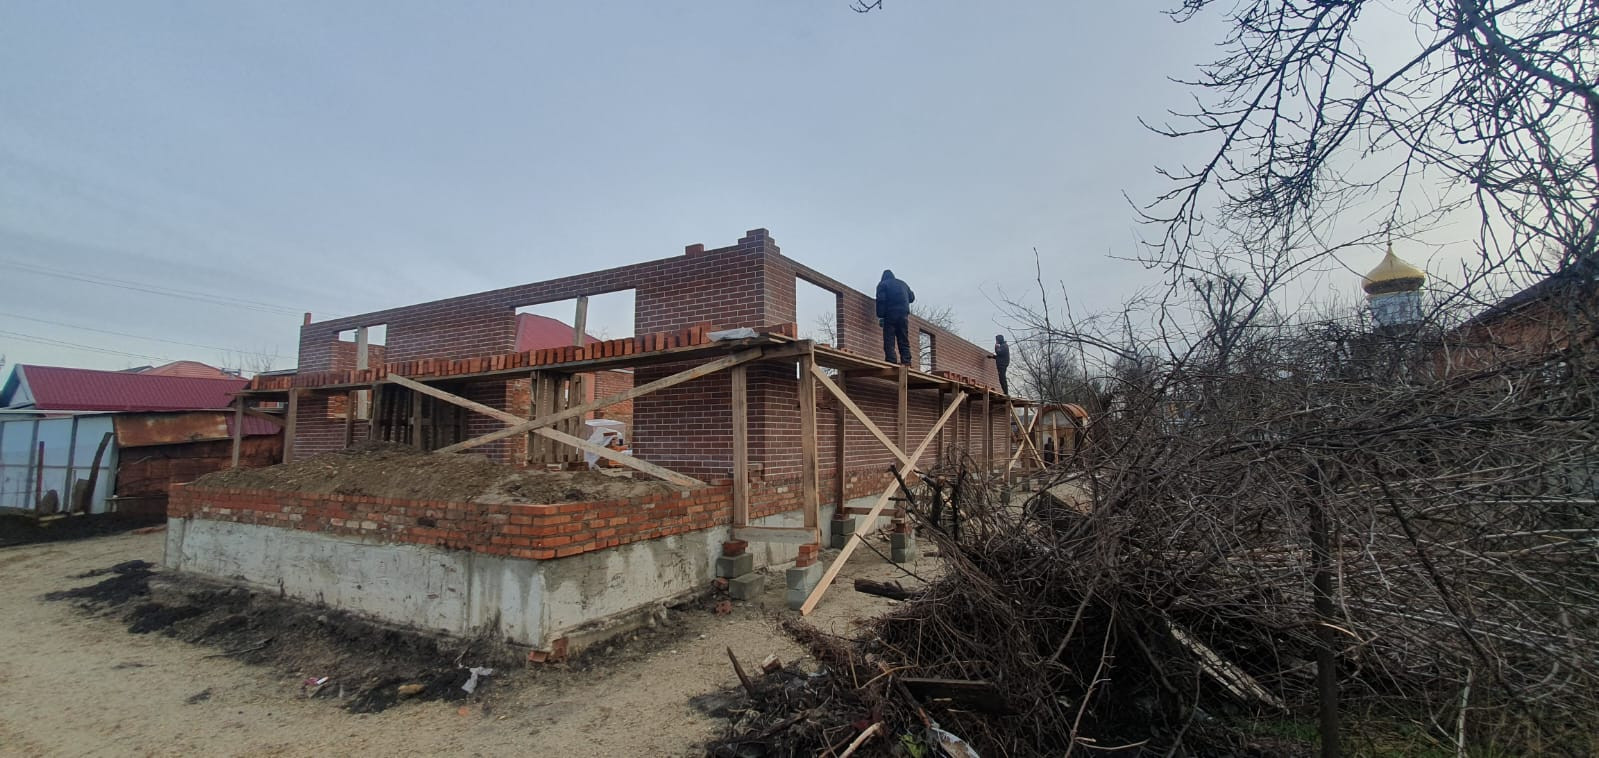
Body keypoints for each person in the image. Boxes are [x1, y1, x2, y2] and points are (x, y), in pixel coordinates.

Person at [875, 270, 915, 365]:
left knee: (889, 338)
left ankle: (891, 360)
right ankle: (906, 361)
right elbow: (912, 298)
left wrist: (881, 315)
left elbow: (881, 300)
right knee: (903, 338)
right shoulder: (903, 284)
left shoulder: (883, 284)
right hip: (903, 315)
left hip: (890, 314)